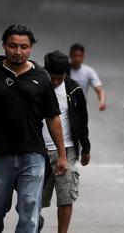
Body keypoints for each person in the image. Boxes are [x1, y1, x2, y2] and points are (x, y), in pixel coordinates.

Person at [0, 24, 68, 233]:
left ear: (31, 48)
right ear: (4, 46)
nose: (18, 51)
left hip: (33, 154)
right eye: (13, 46)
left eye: (24, 47)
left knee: (30, 212)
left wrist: (61, 154)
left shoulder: (42, 77)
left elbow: (53, 118)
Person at [39, 51, 91, 233]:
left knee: (66, 197)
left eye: (59, 78)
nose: (55, 82)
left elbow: (82, 119)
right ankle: (33, 225)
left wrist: (86, 147)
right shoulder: (36, 86)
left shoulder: (74, 90)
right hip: (39, 150)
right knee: (34, 197)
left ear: (66, 74)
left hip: (67, 150)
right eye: (51, 77)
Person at [67, 44, 106, 111]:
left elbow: (99, 90)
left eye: (80, 56)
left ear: (83, 56)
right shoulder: (63, 70)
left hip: (81, 108)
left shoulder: (88, 71)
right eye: (75, 56)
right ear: (70, 56)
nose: (77, 59)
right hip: (65, 107)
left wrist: (102, 101)